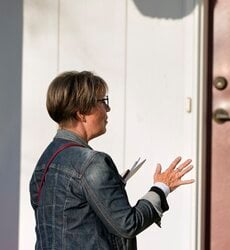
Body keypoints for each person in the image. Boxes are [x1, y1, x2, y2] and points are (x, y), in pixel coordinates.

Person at [29, 71, 194, 249]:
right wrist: (161, 188)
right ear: (81, 113)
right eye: (102, 101)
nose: (108, 109)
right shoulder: (92, 163)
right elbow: (128, 225)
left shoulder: (44, 161)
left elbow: (67, 220)